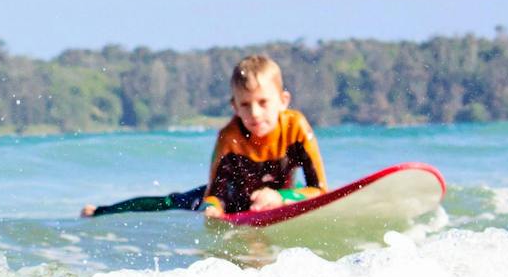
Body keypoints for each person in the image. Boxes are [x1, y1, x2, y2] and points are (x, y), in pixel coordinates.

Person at [81, 54, 325, 218]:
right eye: (246, 104)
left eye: (263, 102)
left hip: (277, 195)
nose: (255, 113)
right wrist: (212, 210)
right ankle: (101, 212)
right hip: (233, 201)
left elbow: (319, 190)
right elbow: (214, 196)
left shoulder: (296, 128)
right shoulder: (229, 138)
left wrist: (280, 197)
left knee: (301, 190)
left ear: (283, 101)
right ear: (234, 107)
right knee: (169, 203)